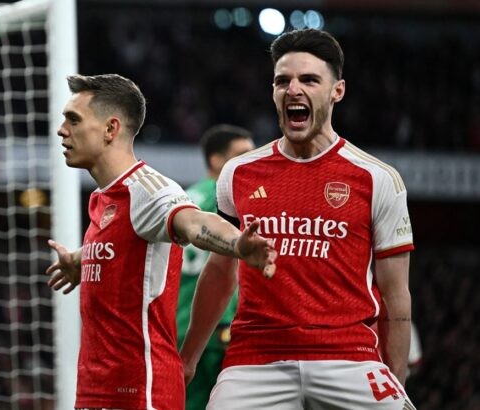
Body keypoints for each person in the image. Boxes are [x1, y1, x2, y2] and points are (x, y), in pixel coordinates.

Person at [180, 28, 416, 409]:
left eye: (308, 80)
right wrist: (188, 358)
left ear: (337, 90)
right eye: (282, 81)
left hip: (349, 357)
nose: (293, 90)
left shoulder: (377, 179)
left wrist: (396, 381)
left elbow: (396, 295)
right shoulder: (238, 174)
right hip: (255, 360)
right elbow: (220, 272)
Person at [45, 74, 275, 410]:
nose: (61, 130)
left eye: (73, 119)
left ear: (110, 129)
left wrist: (238, 244)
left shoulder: (149, 190)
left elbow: (194, 222)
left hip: (141, 393)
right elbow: (128, 244)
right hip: (98, 390)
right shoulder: (104, 197)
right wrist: (84, 258)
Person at [176, 124, 255, 410]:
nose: (249, 162)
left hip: (179, 325)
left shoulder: (185, 198)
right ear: (216, 160)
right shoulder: (228, 199)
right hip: (216, 326)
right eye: (241, 155)